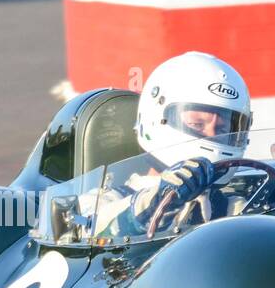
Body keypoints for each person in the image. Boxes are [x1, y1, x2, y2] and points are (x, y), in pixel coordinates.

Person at [86, 52, 253, 241]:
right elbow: (89, 236)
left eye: (224, 129)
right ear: (157, 118)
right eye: (197, 124)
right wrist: (158, 201)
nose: (213, 136)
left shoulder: (234, 209)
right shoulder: (102, 202)